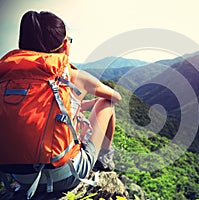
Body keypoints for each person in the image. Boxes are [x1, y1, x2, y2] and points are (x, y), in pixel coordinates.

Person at [0, 10, 121, 198]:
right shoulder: (71, 76)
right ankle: (104, 159)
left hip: (19, 177)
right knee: (107, 104)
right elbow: (116, 96)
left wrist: (77, 105)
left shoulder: (7, 75)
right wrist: (91, 101)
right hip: (64, 176)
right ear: (65, 44)